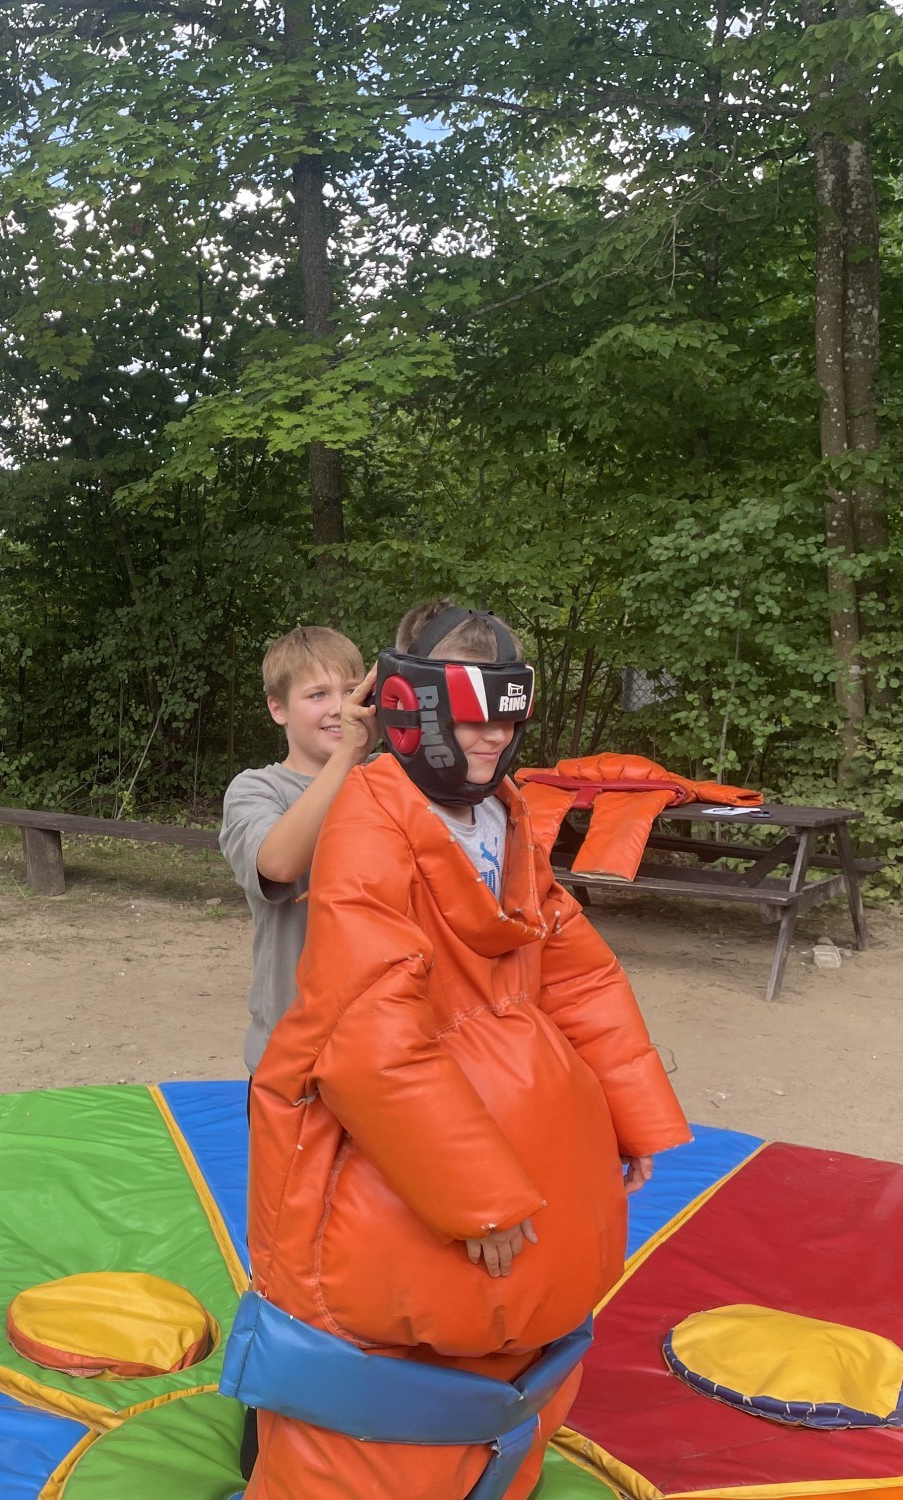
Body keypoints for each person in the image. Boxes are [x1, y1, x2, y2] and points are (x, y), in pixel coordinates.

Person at [227, 603, 691, 1500]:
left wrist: (627, 1116)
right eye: (472, 718)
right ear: (412, 707)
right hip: (387, 1131)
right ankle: (276, 1432)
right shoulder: (369, 815)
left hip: (494, 1122)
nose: (493, 740)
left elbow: (573, 972)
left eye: (507, 720)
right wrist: (476, 1197)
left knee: (512, 1319)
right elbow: (367, 1029)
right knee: (352, 1312)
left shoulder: (504, 815)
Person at [218, 626, 374, 1075]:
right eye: (317, 695)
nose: (339, 708)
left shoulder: (387, 779)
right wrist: (350, 753)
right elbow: (279, 863)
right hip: (291, 1055)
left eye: (351, 691)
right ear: (278, 709)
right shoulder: (255, 789)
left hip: (379, 1046)